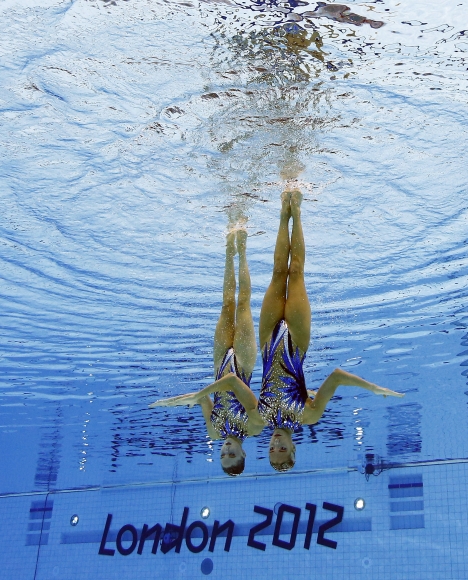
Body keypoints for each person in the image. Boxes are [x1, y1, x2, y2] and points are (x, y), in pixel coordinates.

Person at [258, 186, 404, 472]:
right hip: (295, 345)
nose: (276, 444)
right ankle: (296, 211)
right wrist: (372, 387)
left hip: (267, 342)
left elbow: (232, 386)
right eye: (282, 449)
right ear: (293, 449)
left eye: (272, 450)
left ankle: (282, 212)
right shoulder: (308, 418)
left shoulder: (258, 420)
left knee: (277, 270)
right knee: (295, 271)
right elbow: (336, 377)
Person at [150, 228, 264, 476]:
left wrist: (175, 402)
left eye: (222, 454)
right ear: (243, 454)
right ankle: (243, 250)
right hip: (242, 366)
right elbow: (233, 385)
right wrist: (196, 395)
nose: (225, 450)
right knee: (243, 303)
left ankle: (229, 249)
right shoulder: (254, 428)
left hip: (220, 363)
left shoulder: (214, 432)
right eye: (231, 454)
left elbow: (201, 398)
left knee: (226, 303)